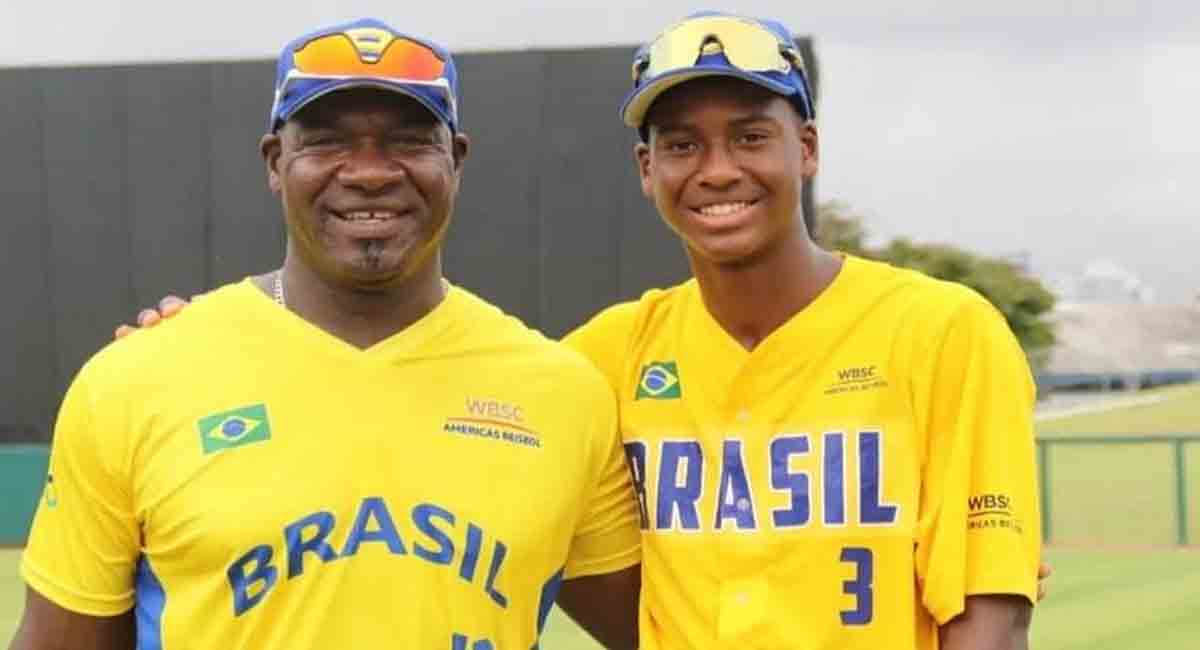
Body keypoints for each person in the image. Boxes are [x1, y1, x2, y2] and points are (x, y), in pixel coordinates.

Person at [111, 11, 1048, 650]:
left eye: (750, 134)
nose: (717, 168)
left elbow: (989, 611)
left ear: (805, 148)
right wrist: (196, 351)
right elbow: (425, 398)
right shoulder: (600, 360)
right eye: (681, 144)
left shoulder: (942, 330)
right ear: (647, 170)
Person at [10, 18, 641, 650]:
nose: (369, 171)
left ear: (455, 160)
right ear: (275, 163)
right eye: (326, 142)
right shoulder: (136, 380)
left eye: (408, 140)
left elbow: (666, 626)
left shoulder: (563, 393)